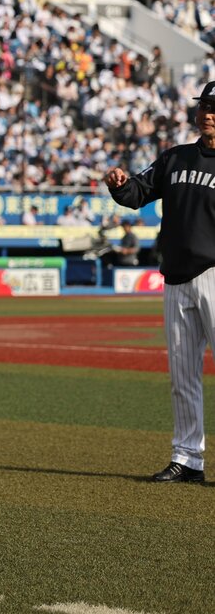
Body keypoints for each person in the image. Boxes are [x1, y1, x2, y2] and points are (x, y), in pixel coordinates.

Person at [105, 80, 215, 483]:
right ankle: (188, 459)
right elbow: (137, 191)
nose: (208, 113)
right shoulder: (176, 158)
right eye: (205, 105)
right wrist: (119, 185)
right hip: (176, 278)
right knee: (183, 376)